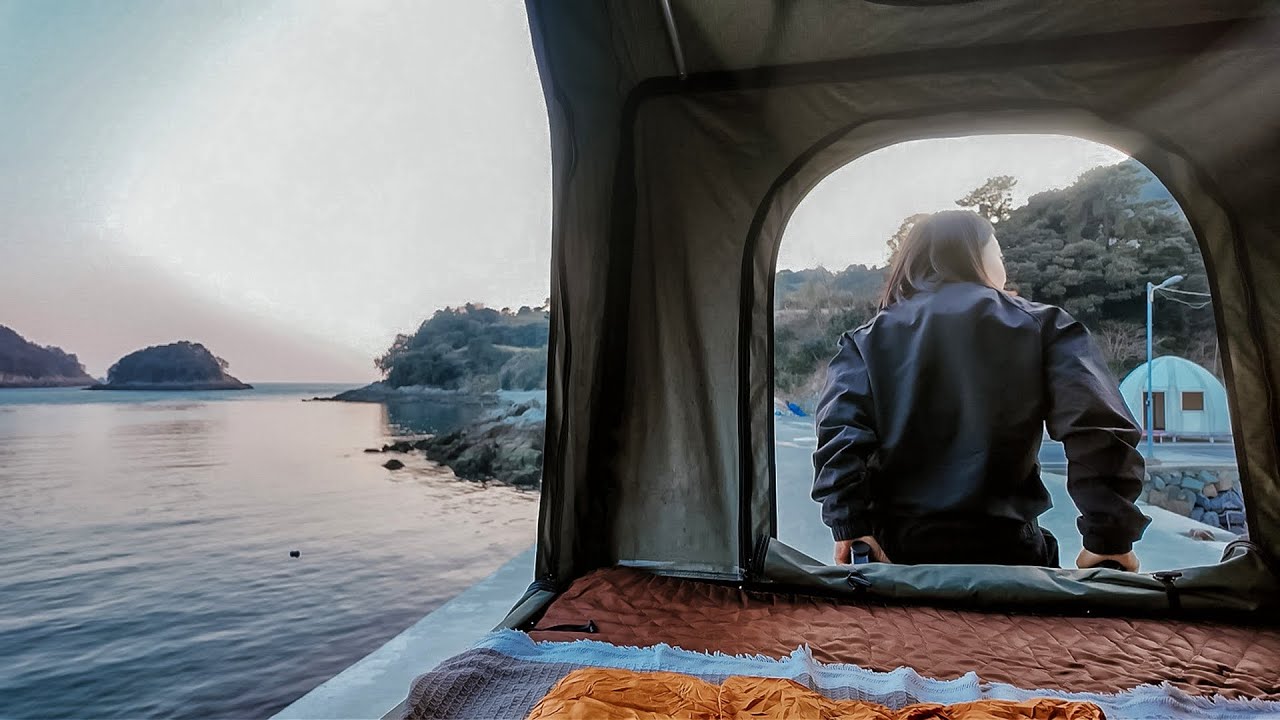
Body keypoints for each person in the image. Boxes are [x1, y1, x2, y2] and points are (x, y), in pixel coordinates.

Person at [811, 210, 1149, 570]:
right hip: (1010, 553)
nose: (1003, 266)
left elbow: (839, 437)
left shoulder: (866, 340)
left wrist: (849, 524)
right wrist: (1108, 538)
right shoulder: (1043, 325)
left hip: (896, 555)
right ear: (976, 256)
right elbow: (1097, 427)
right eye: (999, 255)